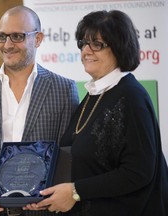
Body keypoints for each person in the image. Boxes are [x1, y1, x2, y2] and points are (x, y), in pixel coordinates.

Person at [27, 10, 168, 216]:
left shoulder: (131, 97)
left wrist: (75, 192)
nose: (86, 51)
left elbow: (138, 172)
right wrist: (42, 193)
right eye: (83, 43)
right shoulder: (94, 94)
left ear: (119, 48)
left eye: (97, 44)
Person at [0, 5, 79, 216]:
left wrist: (48, 193)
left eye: (17, 36)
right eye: (2, 36)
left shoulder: (63, 89)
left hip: (42, 210)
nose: (7, 45)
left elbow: (67, 154)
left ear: (38, 39)